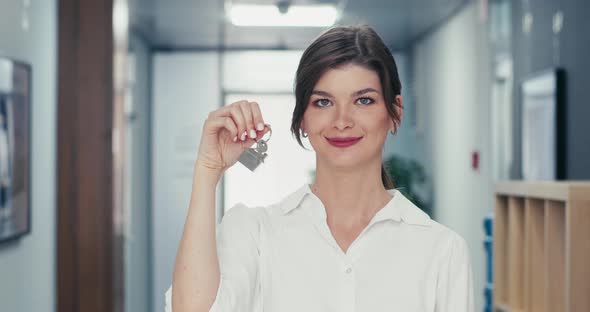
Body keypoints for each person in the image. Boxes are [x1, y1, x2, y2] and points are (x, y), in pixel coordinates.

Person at [166, 25, 474, 312]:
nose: (342, 121)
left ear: (395, 113)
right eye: (323, 102)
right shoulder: (255, 232)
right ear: (302, 119)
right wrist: (208, 171)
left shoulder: (442, 251)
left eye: (364, 100)